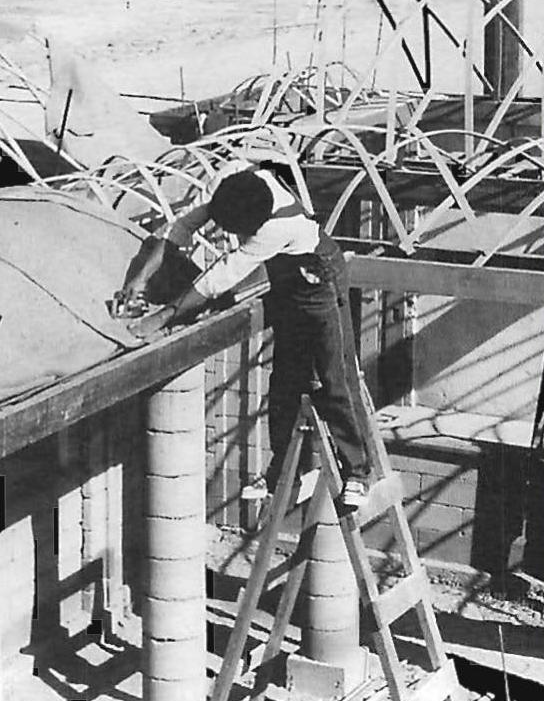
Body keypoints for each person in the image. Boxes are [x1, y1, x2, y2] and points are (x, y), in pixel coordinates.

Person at [122, 158, 372, 505]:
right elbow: (180, 229)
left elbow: (219, 277)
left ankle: (358, 471)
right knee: (285, 381)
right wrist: (140, 278)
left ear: (251, 229)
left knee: (334, 379)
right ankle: (283, 470)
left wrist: (163, 316)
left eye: (239, 234)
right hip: (286, 282)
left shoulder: (276, 227)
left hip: (318, 281)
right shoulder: (230, 182)